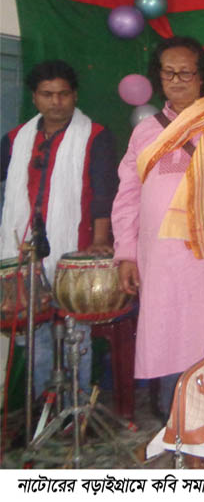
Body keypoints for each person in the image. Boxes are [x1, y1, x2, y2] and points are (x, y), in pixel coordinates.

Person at [112, 36, 204, 419]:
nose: (177, 80)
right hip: (160, 255)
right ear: (159, 77)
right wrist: (126, 253)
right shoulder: (145, 132)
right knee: (167, 330)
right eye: (169, 73)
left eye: (186, 72)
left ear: (202, 77)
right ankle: (174, 417)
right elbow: (128, 195)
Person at [1, 60, 118, 399]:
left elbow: (104, 192)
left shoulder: (95, 136)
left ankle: (75, 412)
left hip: (75, 252)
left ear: (74, 95)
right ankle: (44, 410)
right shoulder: (16, 139)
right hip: (25, 253)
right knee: (36, 338)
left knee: (74, 335)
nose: (56, 102)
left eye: (63, 94)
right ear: (34, 97)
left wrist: (99, 240)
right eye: (47, 94)